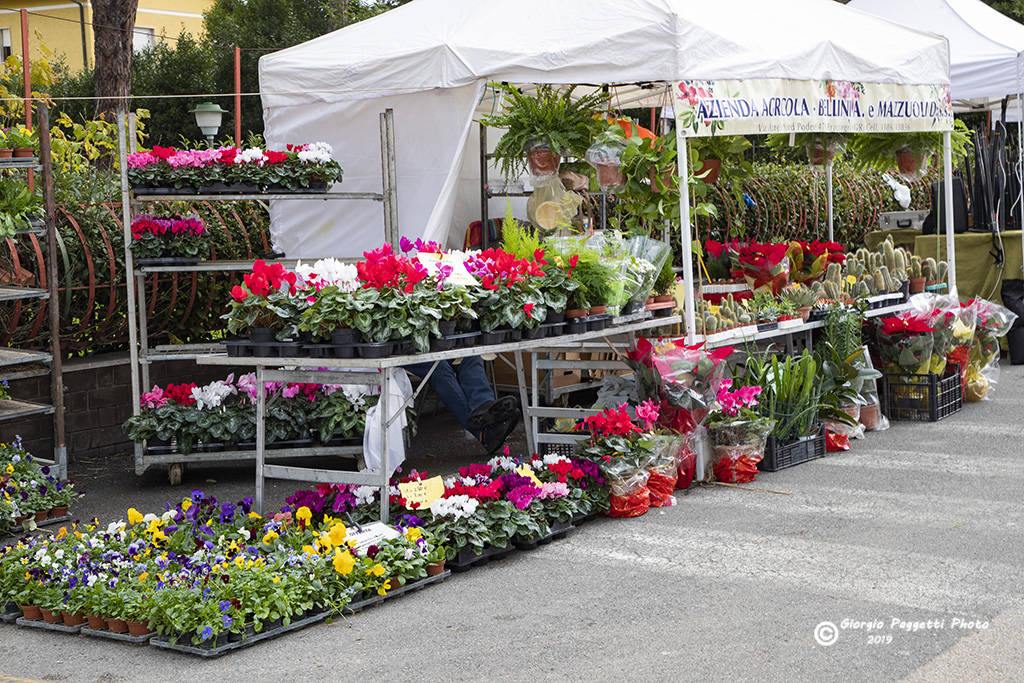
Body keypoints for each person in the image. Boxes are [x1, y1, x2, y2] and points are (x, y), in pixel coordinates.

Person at [405, 356, 520, 454]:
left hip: (434, 344)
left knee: (470, 356)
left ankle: (484, 407)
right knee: (439, 368)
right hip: (405, 351)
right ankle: (481, 432)